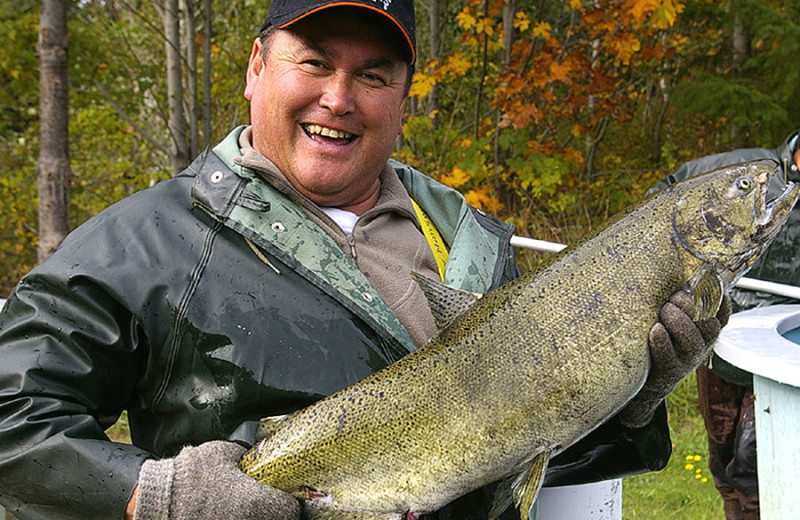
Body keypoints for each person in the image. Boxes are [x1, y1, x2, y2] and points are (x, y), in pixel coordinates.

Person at [0, 1, 729, 519]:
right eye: (313, 62)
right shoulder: (148, 243)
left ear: (404, 96)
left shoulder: (472, 243)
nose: (339, 98)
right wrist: (153, 498)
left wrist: (630, 397)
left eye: (374, 76)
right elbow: (14, 418)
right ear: (257, 67)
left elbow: (527, 464)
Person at [650, 135, 800, 520]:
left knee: (753, 467)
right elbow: (659, 206)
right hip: (721, 342)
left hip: (784, 359)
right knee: (723, 460)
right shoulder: (745, 171)